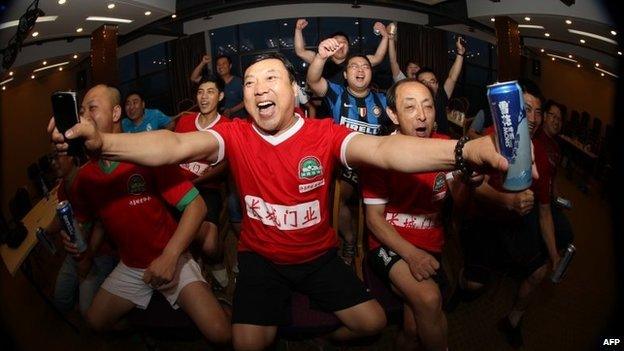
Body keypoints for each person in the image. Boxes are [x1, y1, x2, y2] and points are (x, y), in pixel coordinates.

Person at [51, 52, 510, 351]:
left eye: (271, 77)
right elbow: (172, 147)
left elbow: (386, 150)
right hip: (260, 260)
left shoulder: (324, 134)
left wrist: (463, 150)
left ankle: (320, 340)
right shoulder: (233, 134)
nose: (258, 86)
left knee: (371, 324)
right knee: (246, 344)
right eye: (250, 82)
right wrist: (101, 145)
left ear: (293, 92)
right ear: (246, 98)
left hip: (317, 257)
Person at [50, 84, 231, 345]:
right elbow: (88, 222)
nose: (85, 116)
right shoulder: (85, 178)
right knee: (94, 322)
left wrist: (169, 257)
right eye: (81, 111)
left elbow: (197, 207)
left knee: (221, 333)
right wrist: (76, 241)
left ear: (115, 113)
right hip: (131, 267)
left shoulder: (147, 156)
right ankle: (146, 328)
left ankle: (217, 302)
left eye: (92, 108)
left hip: (172, 256)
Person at [362, 78, 478, 351]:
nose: (422, 115)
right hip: (388, 243)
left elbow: (459, 205)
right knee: (428, 299)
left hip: (431, 241)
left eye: (428, 106)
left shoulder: (446, 147)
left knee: (414, 329)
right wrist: (411, 255)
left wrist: (467, 182)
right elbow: (373, 220)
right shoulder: (378, 154)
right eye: (410, 107)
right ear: (393, 114)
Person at [457, 79, 561, 348]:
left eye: (538, 112)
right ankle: (459, 281)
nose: (534, 118)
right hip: (484, 216)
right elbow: (473, 186)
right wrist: (505, 200)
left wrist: (554, 254)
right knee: (474, 286)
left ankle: (513, 320)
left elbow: (545, 211)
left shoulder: (542, 152)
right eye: (525, 109)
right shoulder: (492, 138)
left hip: (516, 222)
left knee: (538, 272)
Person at [307, 38, 392, 265]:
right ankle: (350, 239)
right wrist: (321, 57)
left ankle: (383, 247)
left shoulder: (383, 101)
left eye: (365, 66)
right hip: (345, 166)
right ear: (345, 75)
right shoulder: (337, 94)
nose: (360, 70)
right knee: (338, 194)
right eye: (354, 66)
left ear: (371, 74)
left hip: (374, 166)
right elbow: (313, 80)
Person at [175, 75, 232, 290]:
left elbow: (227, 164)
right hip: (177, 187)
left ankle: (215, 261)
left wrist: (201, 179)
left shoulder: (227, 126)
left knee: (209, 244)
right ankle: (190, 261)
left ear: (220, 96)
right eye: (200, 92)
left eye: (210, 91)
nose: (204, 97)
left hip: (206, 187)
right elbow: (171, 153)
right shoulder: (184, 122)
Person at [46, 154, 118, 315]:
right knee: (61, 300)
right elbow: (62, 217)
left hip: (99, 254)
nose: (53, 163)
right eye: (51, 159)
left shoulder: (88, 181)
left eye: (57, 157)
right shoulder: (63, 189)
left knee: (88, 312)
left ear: (72, 157)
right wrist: (45, 231)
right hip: (77, 254)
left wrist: (87, 260)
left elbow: (101, 223)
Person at [294, 18, 390, 84]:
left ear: (348, 47)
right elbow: (300, 52)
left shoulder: (355, 62)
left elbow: (377, 58)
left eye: (344, 42)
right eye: (336, 42)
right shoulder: (321, 59)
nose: (340, 45)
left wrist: (385, 36)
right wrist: (298, 29)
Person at [416, 36, 466, 135]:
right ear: (417, 84)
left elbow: (452, 77)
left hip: (443, 142)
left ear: (437, 85)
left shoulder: (441, 95)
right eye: (423, 82)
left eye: (432, 81)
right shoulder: (413, 104)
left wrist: (460, 54)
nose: (428, 85)